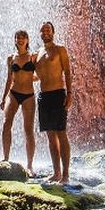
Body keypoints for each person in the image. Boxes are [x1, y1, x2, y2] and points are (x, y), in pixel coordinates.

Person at [35, 20, 73, 184]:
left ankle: (65, 175)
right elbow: (38, 76)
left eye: (48, 30)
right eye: (43, 30)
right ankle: (56, 173)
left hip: (58, 94)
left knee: (61, 134)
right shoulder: (37, 53)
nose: (46, 32)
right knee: (51, 136)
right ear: (40, 33)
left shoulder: (60, 50)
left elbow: (68, 72)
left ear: (53, 32)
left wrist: (69, 93)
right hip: (44, 96)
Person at [0, 29, 37, 174]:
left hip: (28, 95)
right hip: (13, 94)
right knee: (6, 124)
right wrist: (3, 98)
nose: (20, 40)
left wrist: (29, 78)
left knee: (28, 129)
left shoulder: (33, 57)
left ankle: (29, 165)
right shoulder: (11, 58)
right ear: (15, 40)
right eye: (18, 38)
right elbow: (9, 79)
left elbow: (40, 75)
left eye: (23, 37)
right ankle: (6, 159)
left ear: (27, 40)